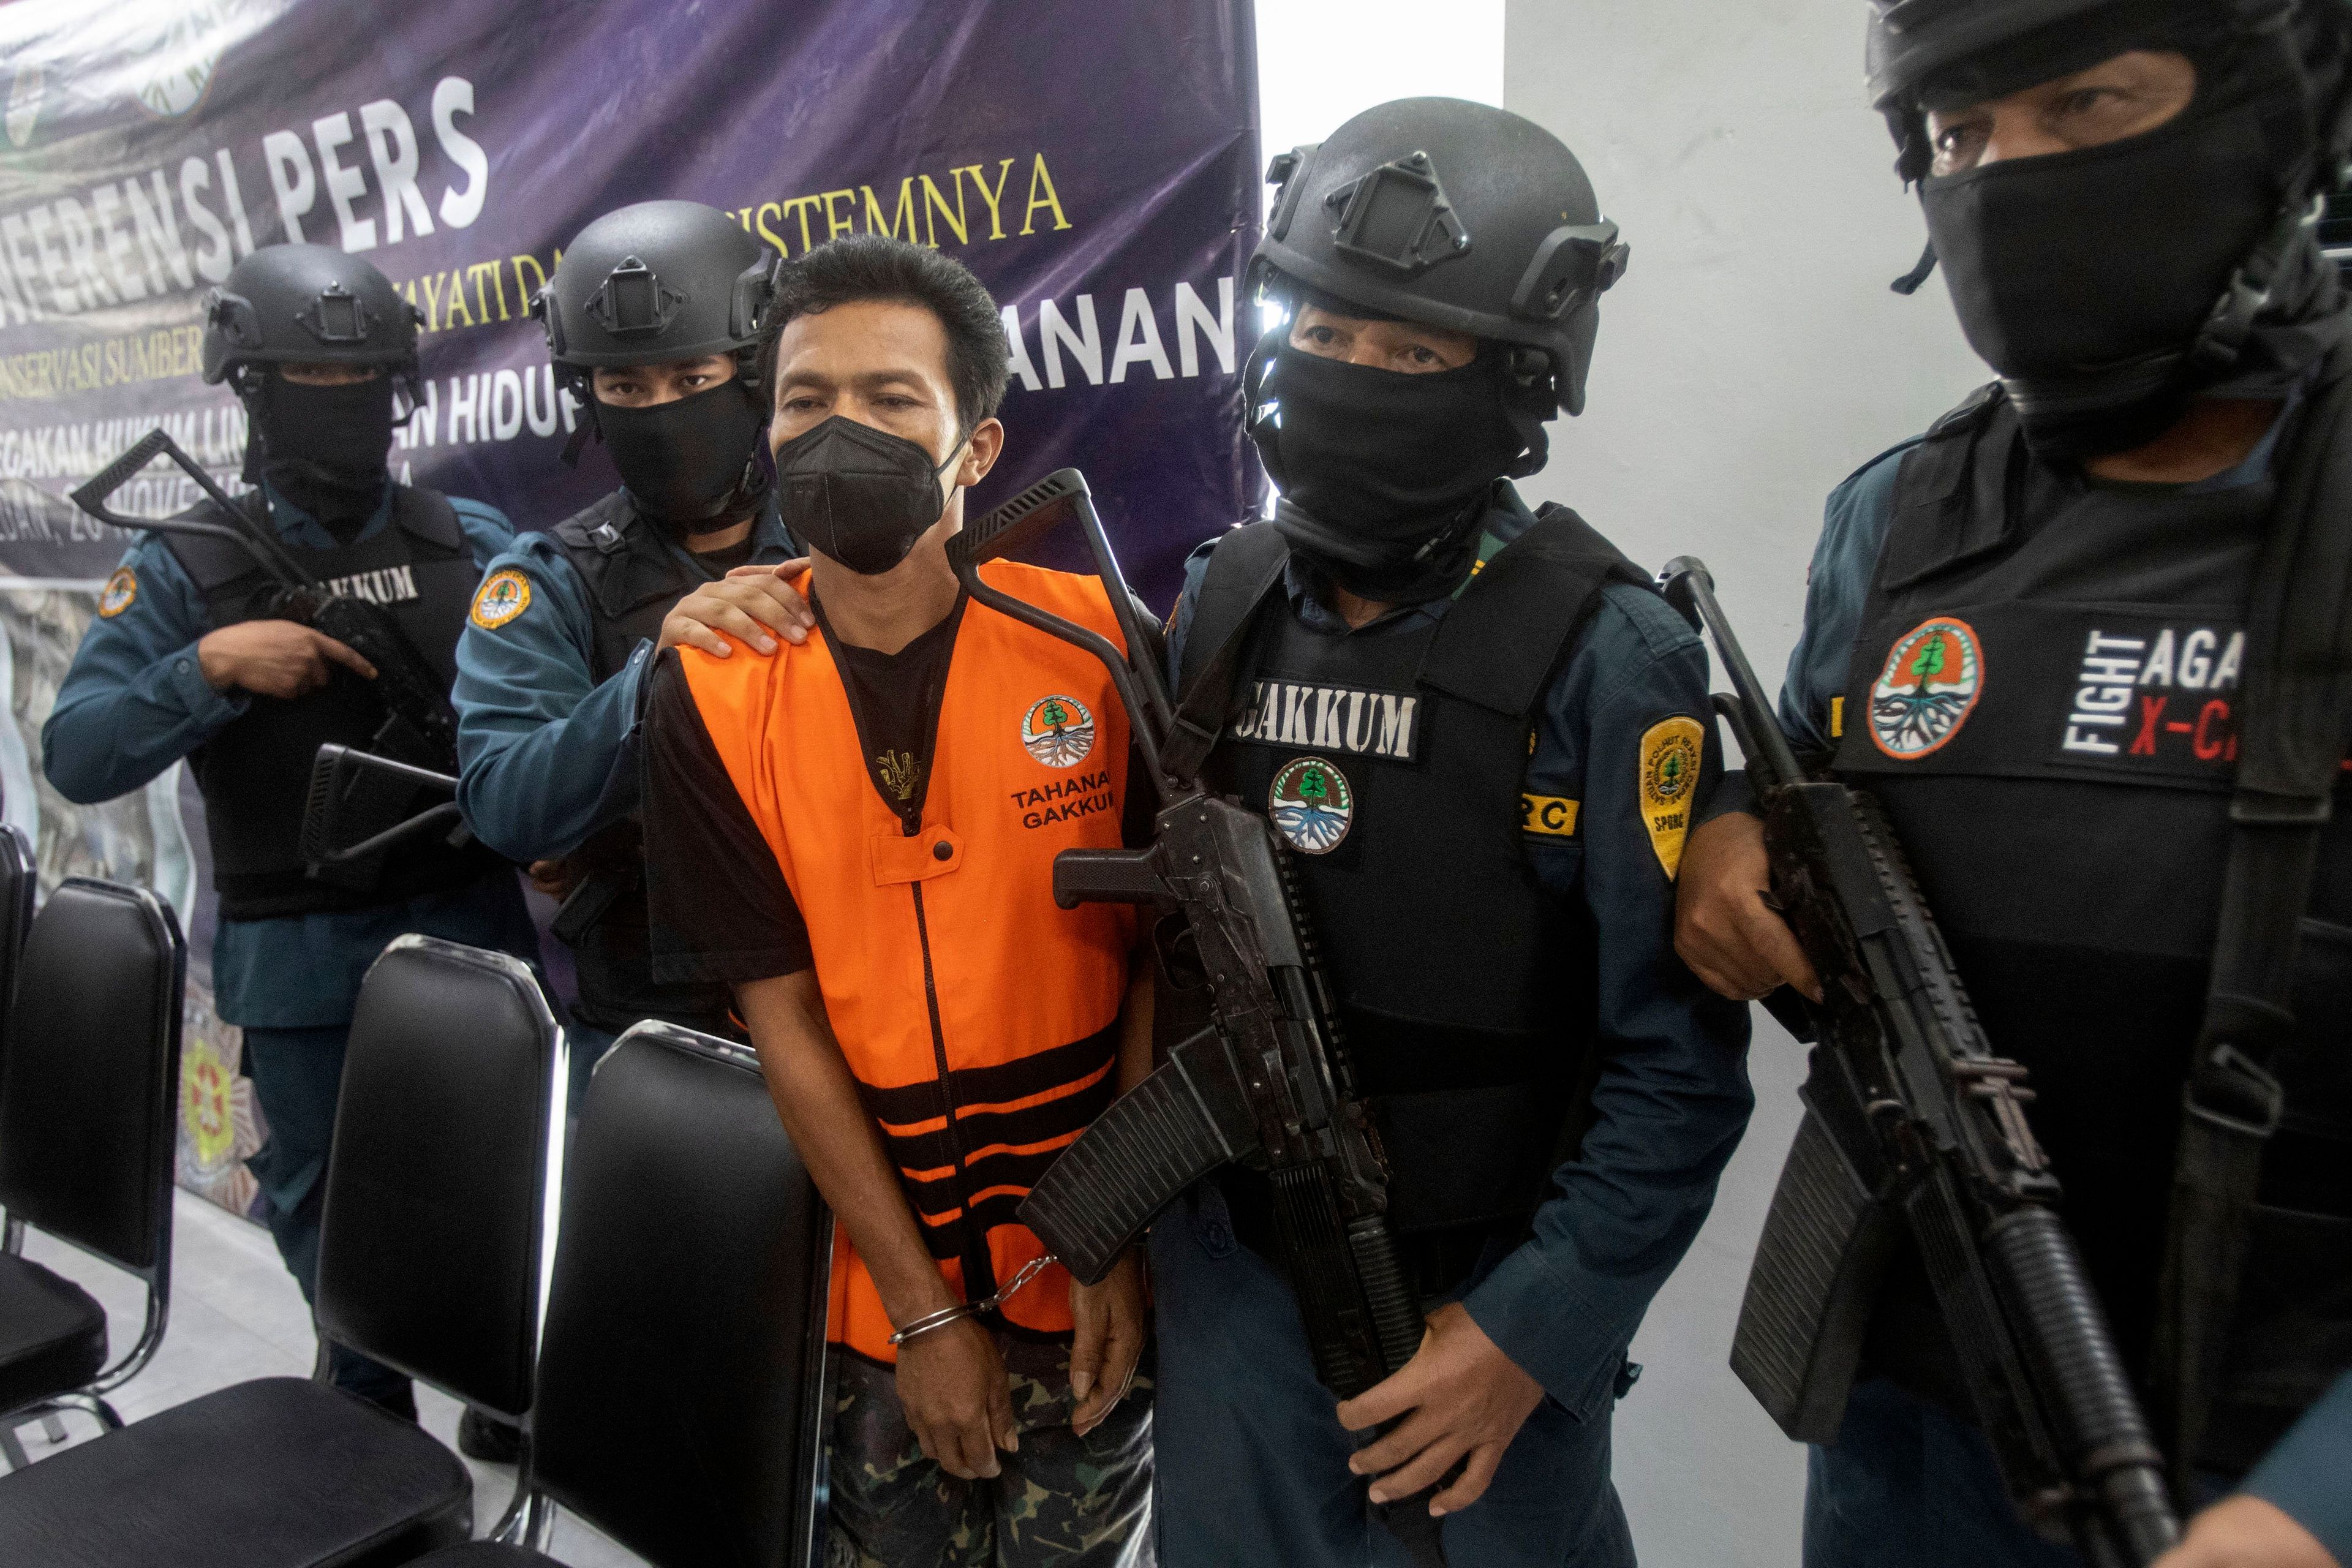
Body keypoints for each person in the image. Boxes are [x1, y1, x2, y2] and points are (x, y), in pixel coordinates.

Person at [1671, 4, 2352, 1566]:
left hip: (2267, 1459)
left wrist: (2311, 1508)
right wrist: (1722, 826)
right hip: (1920, 1420)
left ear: (2275, 115)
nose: (2006, 175)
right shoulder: (1906, 514)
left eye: (2089, 105)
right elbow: (1799, 759)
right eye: (1961, 136)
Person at [1150, 99, 1754, 1567]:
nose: (1355, 374)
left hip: (1476, 1303)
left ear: (1518, 377)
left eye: (1412, 351)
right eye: (1330, 331)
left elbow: (1675, 1075)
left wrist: (1529, 1335)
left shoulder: (1614, 654)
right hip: (1231, 1283)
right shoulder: (1221, 600)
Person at [639, 233, 1153, 1566]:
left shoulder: (1098, 649)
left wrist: (1120, 1235)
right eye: (806, 400)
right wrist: (925, 1317)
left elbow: (1163, 962)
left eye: (891, 400)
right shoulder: (708, 686)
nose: (840, 430)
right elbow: (782, 1014)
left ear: (976, 447)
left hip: (1086, 1266)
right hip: (866, 1295)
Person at [43, 242, 541, 1420]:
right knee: (331, 1212)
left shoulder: (463, 538)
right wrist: (211, 665)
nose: (344, 415)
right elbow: (79, 750)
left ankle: (498, 1391)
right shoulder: (188, 566)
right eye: (312, 392)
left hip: (469, 929)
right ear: (251, 395)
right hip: (303, 956)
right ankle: (367, 1432)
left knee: (493, 1189)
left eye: (367, 390)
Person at [454, 200, 812, 1070]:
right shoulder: (548, 578)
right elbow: (504, 801)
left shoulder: (838, 540)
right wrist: (654, 681)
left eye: (693, 379)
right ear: (589, 398)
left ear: (753, 374)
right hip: (648, 1034)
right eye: (626, 389)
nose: (662, 410)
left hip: (848, 1001)